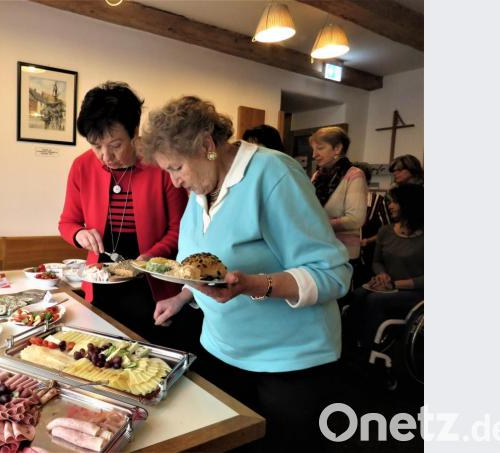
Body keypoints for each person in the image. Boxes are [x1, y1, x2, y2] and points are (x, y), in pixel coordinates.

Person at [140, 96, 352, 451]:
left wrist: (255, 285)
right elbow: (208, 264)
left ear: (207, 146)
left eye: (176, 168)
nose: (174, 182)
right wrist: (183, 295)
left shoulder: (273, 174)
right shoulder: (203, 185)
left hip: (286, 362)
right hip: (221, 350)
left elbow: (334, 275)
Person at [58, 82, 190, 345]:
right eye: (96, 146)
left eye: (115, 145)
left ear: (134, 133)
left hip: (154, 285)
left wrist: (148, 258)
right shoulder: (82, 166)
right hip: (102, 283)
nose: (105, 156)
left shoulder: (160, 165)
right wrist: (80, 234)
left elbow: (180, 229)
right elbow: (67, 223)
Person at [348, 184, 424, 349]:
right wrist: (382, 275)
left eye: (395, 202)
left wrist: (396, 284)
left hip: (415, 292)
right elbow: (377, 261)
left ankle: (369, 348)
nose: (389, 206)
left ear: (409, 204)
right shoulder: (385, 231)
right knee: (358, 294)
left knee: (375, 300)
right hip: (387, 285)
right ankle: (351, 344)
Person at [310, 127, 368, 265]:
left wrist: (317, 225)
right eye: (313, 149)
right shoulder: (317, 175)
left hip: (342, 253)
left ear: (337, 148)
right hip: (318, 248)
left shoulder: (354, 174)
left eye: (320, 148)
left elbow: (356, 219)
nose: (314, 155)